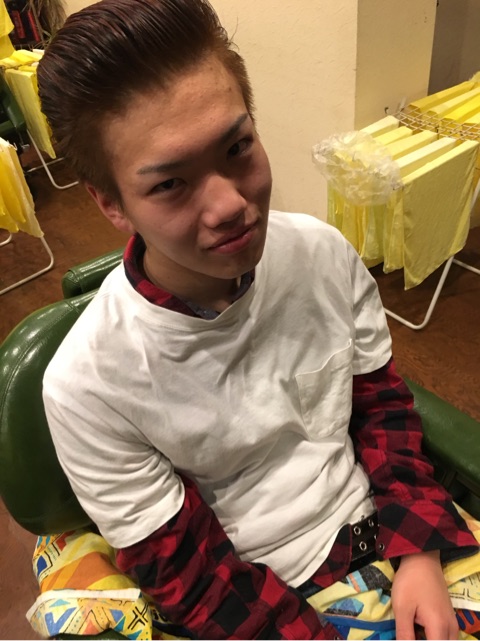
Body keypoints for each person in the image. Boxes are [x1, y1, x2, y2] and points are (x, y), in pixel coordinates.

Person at [37, 1, 480, 639]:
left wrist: (419, 556)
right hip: (258, 597)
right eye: (170, 184)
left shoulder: (322, 255)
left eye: (238, 147)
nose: (229, 204)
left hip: (387, 536)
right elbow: (187, 570)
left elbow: (380, 406)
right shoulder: (89, 385)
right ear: (111, 203)